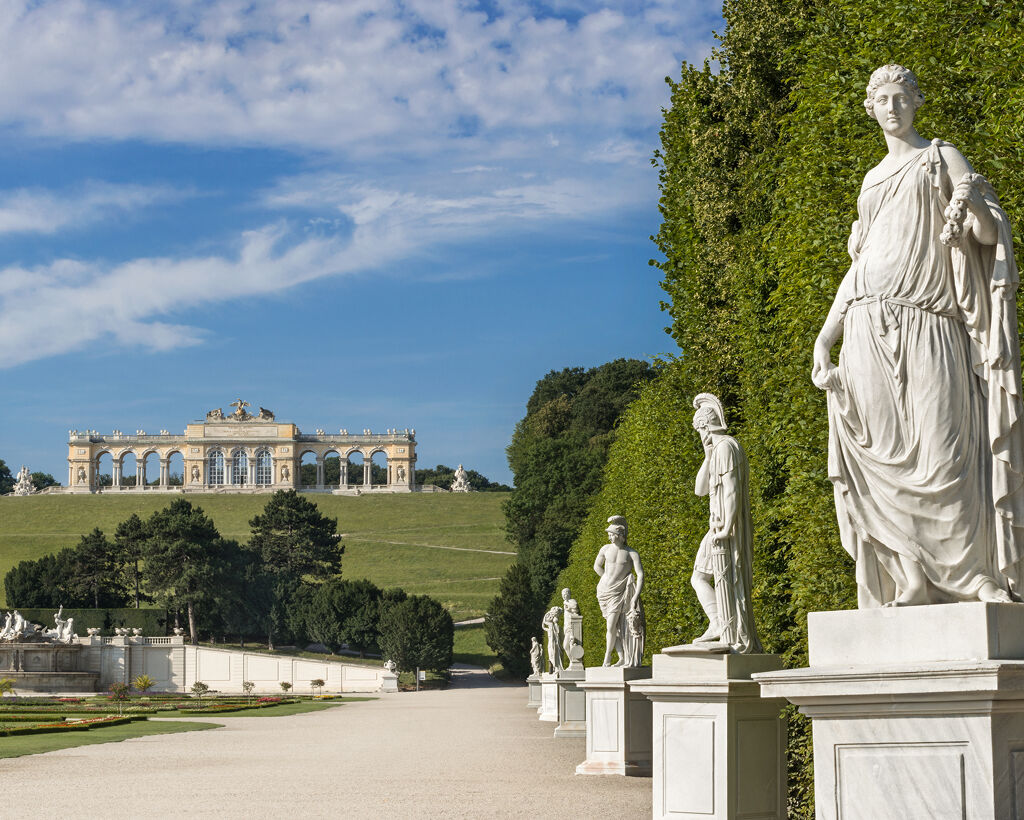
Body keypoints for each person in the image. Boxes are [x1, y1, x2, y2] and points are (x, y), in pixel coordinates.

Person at [811, 65, 1024, 607]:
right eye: (882, 99)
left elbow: (985, 234)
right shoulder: (870, 182)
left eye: (901, 97)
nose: (892, 107)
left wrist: (972, 202)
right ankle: (911, 578)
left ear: (916, 102)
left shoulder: (941, 158)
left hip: (930, 320)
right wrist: (825, 335)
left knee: (945, 448)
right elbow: (860, 268)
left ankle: (976, 576)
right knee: (882, 454)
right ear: (870, 108)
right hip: (864, 329)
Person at [690, 394, 763, 653]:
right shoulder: (716, 452)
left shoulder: (726, 447)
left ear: (706, 426)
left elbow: (731, 490)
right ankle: (719, 622)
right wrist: (707, 457)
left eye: (699, 429)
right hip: (717, 525)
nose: (699, 435)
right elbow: (700, 490)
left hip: (724, 526)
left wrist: (726, 527)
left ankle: (724, 625)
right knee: (699, 577)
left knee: (717, 578)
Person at [594, 515, 645, 667]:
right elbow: (596, 566)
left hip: (618, 592)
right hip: (603, 591)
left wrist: (635, 596)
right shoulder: (605, 549)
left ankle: (607, 658)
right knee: (613, 627)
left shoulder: (631, 553)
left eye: (612, 534)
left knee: (611, 625)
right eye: (609, 534)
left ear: (621, 536)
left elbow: (640, 575)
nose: (609, 536)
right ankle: (621, 657)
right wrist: (605, 579)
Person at [541, 605, 563, 673]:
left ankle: (556, 667)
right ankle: (555, 666)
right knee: (551, 652)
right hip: (552, 641)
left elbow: (558, 634)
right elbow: (543, 624)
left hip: (555, 642)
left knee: (555, 652)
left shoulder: (555, 626)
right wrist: (547, 628)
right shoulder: (551, 625)